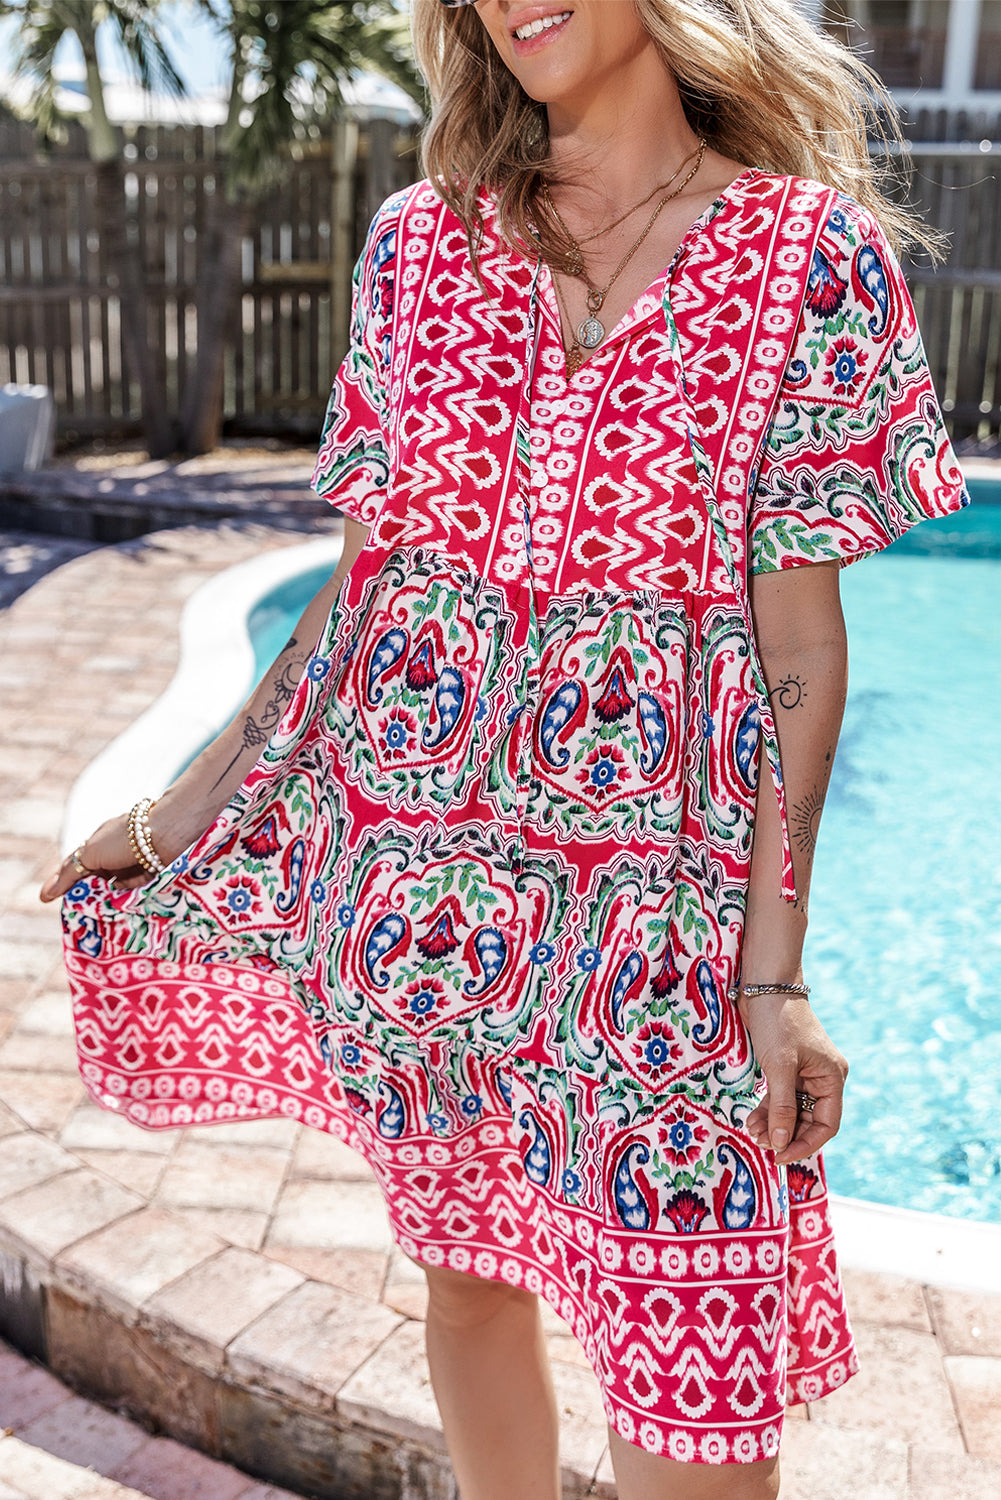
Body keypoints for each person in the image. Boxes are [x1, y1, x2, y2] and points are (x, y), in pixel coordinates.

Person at [42, 1, 969, 1495]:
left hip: (656, 933)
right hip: (428, 901)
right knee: (469, 1286)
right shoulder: (420, 244)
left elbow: (798, 649)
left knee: (694, 1394)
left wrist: (774, 974)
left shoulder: (810, 255)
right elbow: (362, 593)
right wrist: (178, 810)